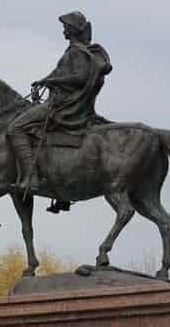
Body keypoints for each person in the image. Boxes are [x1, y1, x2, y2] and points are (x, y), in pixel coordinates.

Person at [8, 11, 112, 212]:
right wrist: (45, 81)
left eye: (65, 26)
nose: (63, 30)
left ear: (72, 29)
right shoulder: (76, 51)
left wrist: (51, 81)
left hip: (62, 104)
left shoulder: (76, 52)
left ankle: (31, 177)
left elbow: (79, 78)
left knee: (15, 128)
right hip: (61, 101)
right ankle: (58, 187)